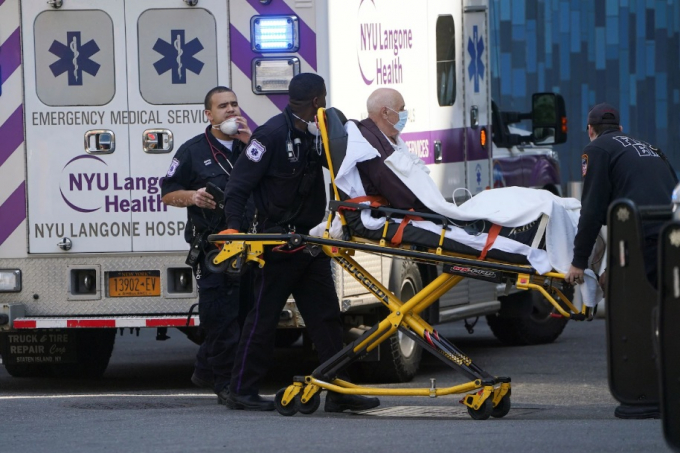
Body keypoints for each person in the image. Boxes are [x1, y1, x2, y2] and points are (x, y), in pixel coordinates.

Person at [220, 73, 380, 412]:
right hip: (276, 243)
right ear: (318, 100)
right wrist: (234, 229)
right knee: (263, 319)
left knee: (326, 320)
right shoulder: (270, 136)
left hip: (310, 241)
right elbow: (237, 187)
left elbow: (343, 167)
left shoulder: (318, 135)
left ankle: (339, 392)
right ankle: (241, 390)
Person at [564, 103, 677, 419]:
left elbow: (592, 209)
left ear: (590, 129)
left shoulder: (596, 149)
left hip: (645, 236)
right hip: (670, 234)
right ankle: (660, 388)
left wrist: (578, 262)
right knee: (664, 312)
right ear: (621, 128)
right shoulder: (649, 148)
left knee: (644, 317)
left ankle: (649, 391)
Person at [161, 86, 253, 405]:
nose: (230, 110)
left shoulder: (251, 148)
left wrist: (250, 142)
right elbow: (167, 192)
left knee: (246, 316)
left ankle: (204, 366)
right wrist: (192, 196)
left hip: (252, 247)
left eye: (234, 104)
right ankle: (225, 384)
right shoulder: (192, 151)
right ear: (208, 115)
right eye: (223, 106)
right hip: (214, 251)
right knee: (221, 318)